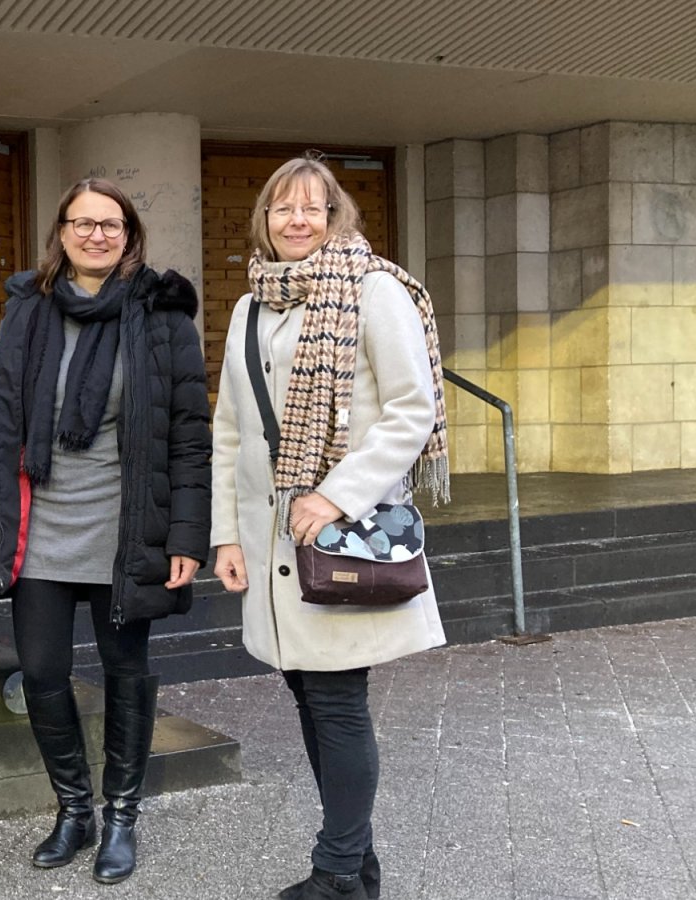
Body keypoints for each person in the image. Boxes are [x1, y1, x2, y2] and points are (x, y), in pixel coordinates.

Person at [209, 156, 450, 900]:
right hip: (269, 537)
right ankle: (359, 863)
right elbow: (228, 430)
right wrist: (225, 535)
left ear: (336, 215)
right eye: (283, 208)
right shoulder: (252, 305)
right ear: (265, 220)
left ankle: (340, 871)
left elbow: (412, 410)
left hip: (336, 532)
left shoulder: (374, 291)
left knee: (337, 700)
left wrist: (335, 497)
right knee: (311, 698)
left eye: (313, 207)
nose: (298, 220)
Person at [0, 177, 212, 885]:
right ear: (62, 232)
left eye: (109, 224)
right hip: (39, 528)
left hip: (123, 532)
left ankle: (121, 818)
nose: (95, 235)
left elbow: (189, 435)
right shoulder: (28, 309)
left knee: (125, 673)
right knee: (44, 674)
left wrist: (185, 537)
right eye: (82, 223)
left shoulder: (161, 315)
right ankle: (74, 808)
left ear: (129, 233)